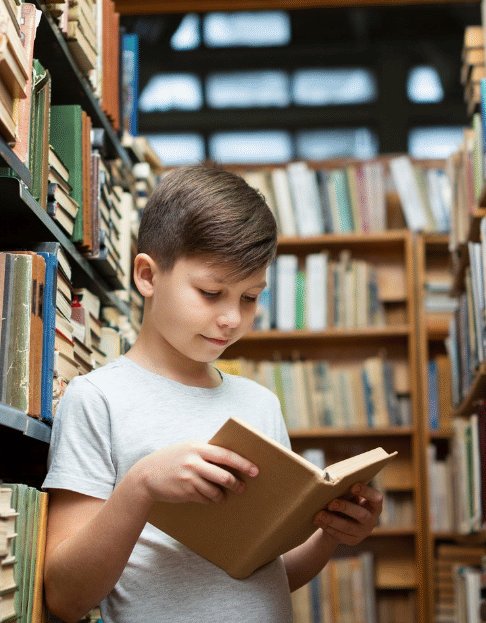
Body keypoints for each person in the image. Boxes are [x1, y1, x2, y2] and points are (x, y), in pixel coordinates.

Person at [41, 163, 383, 622]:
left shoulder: (259, 404)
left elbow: (265, 573)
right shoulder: (96, 399)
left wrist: (333, 533)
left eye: (249, 297)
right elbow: (65, 597)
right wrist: (141, 486)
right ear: (147, 275)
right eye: (210, 292)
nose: (231, 319)